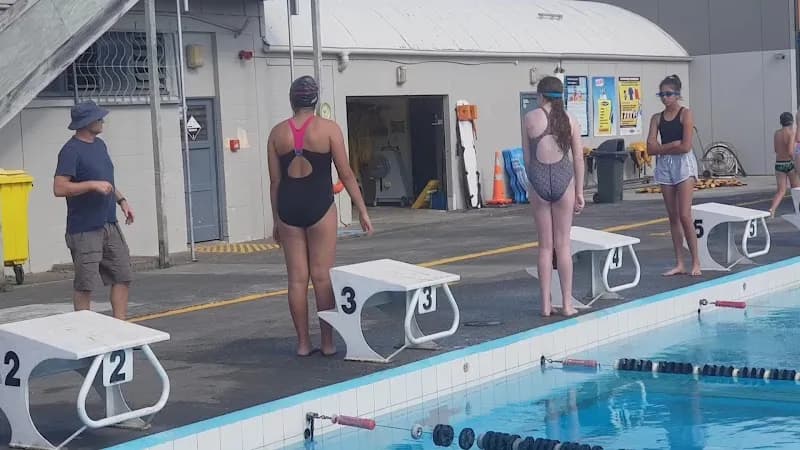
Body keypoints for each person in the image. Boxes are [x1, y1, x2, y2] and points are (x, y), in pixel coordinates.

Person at [267, 76, 373, 357]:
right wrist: (361, 209)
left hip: (289, 208)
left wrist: (277, 219)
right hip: (319, 206)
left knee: (297, 280)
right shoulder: (329, 130)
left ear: (292, 99)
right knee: (322, 278)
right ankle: (327, 342)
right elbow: (346, 173)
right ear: (315, 100)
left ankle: (303, 343)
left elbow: (275, 182)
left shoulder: (277, 134)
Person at [53, 100, 135, 320]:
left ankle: (120, 328)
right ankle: (85, 332)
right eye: (98, 118)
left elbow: (106, 181)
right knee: (86, 283)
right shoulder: (70, 151)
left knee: (122, 274)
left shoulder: (100, 145)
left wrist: (122, 201)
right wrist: (91, 185)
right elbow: (59, 188)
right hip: (84, 229)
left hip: (109, 223)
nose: (102, 121)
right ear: (86, 122)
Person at [523, 76, 586, 318]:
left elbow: (527, 158)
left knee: (545, 246)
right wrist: (580, 191)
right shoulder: (570, 120)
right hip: (563, 180)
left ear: (540, 96)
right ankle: (567, 304)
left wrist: (532, 186)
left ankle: (545, 305)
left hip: (539, 179)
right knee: (563, 245)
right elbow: (579, 159)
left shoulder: (529, 118)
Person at [646, 74, 701, 277]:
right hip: (665, 164)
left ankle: (696, 260)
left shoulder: (685, 114)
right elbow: (650, 148)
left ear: (677, 95)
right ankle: (680, 262)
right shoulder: (656, 118)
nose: (664, 98)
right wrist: (670, 146)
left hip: (683, 164)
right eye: (661, 94)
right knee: (673, 216)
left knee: (685, 214)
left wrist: (661, 147)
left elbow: (686, 146)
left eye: (668, 94)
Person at [769, 112, 800, 217]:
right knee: (796, 189)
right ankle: (798, 211)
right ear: (791, 122)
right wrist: (796, 163)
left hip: (779, 164)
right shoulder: (791, 133)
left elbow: (776, 149)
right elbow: (791, 151)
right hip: (789, 163)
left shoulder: (776, 133)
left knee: (781, 191)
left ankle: (772, 210)